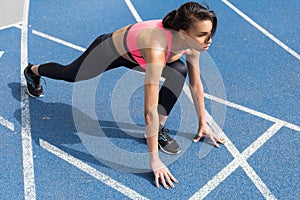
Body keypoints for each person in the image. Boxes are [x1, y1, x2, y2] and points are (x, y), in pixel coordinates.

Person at [24, 2, 225, 189]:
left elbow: (196, 85)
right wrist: (154, 161)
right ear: (183, 32)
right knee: (71, 74)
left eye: (210, 33)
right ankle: (33, 71)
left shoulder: (191, 45)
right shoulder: (156, 48)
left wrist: (202, 123)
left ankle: (159, 130)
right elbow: (149, 110)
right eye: (202, 34)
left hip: (137, 55)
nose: (209, 40)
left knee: (179, 70)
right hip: (111, 50)